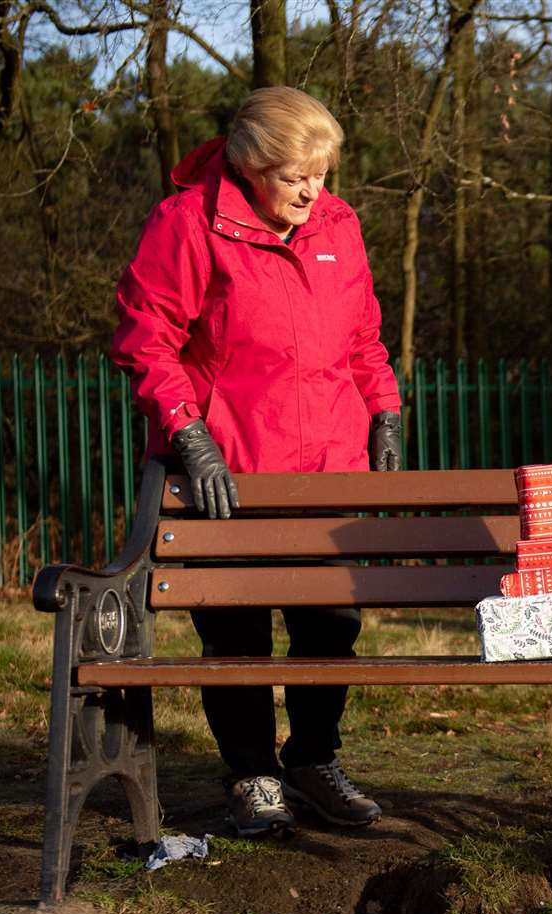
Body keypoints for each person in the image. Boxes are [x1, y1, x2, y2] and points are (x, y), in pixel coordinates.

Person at [111, 86, 402, 838]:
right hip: (230, 468)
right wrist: (188, 433)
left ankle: (312, 761)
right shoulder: (188, 223)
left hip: (329, 468)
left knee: (331, 626)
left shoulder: (338, 223)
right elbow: (147, 337)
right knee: (235, 632)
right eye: (293, 174)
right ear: (249, 166)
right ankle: (250, 773)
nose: (312, 189)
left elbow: (364, 340)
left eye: (321, 171)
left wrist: (386, 410)